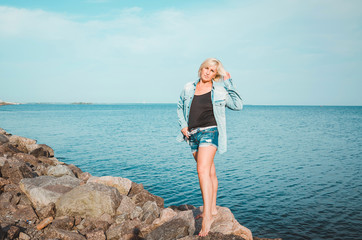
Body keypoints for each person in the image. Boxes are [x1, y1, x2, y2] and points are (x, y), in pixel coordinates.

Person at [177, 58, 243, 236]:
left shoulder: (220, 90)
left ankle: (207, 216)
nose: (208, 72)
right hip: (192, 135)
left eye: (212, 71)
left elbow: (238, 105)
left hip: (210, 132)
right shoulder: (189, 88)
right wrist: (183, 125)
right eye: (206, 68)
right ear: (201, 68)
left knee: (202, 170)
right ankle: (213, 209)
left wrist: (229, 82)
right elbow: (180, 106)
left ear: (216, 74)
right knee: (210, 171)